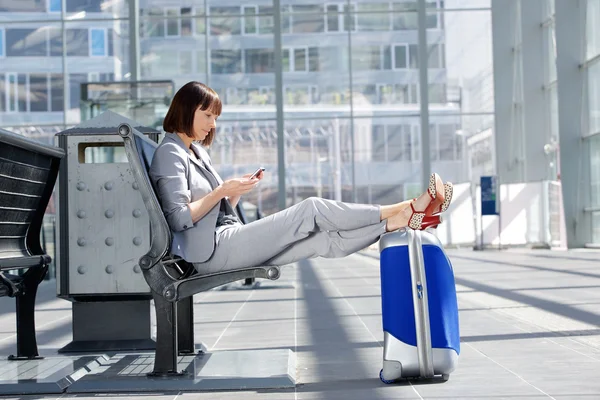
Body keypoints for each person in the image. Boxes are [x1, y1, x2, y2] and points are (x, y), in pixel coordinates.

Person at [149, 81, 453, 275]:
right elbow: (178, 219)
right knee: (312, 209)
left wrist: (234, 193)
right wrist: (221, 191)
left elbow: (215, 211)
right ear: (187, 111)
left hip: (225, 238)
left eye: (216, 117)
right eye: (208, 116)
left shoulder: (197, 153)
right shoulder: (170, 153)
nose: (213, 124)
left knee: (320, 240)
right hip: (211, 251)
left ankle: (397, 221)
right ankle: (410, 206)